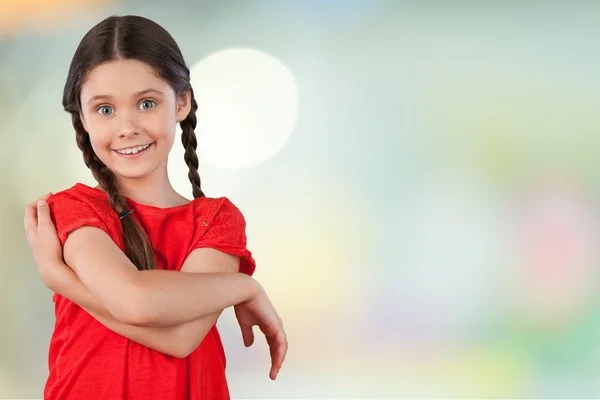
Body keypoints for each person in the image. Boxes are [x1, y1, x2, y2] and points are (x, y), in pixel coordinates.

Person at [22, 14, 287, 400]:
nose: (127, 126)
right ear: (82, 117)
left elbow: (178, 337)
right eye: (105, 109)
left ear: (181, 102)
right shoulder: (75, 211)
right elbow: (135, 300)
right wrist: (243, 287)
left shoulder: (216, 221)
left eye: (146, 103)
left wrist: (59, 277)